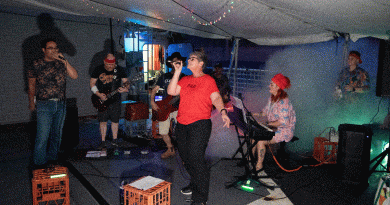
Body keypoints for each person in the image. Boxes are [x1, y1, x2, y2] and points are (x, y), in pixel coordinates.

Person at [167, 49, 230, 205]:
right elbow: (171, 91)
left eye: (192, 59)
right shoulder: (185, 79)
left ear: (201, 64)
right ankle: (195, 183)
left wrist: (223, 111)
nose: (189, 60)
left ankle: (200, 198)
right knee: (186, 158)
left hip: (200, 124)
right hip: (182, 124)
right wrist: (177, 72)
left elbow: (215, 97)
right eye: (189, 58)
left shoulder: (208, 80)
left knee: (196, 158)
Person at [28, 38, 78, 168]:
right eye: (50, 48)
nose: (54, 50)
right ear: (44, 50)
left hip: (61, 104)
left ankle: (52, 160)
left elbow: (74, 76)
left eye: (56, 48)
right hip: (44, 104)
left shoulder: (61, 63)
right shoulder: (36, 64)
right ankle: (39, 163)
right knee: (43, 136)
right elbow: (31, 85)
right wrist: (32, 103)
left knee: (57, 135)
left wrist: (65, 61)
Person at [254, 73, 296, 173]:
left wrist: (267, 124)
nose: (269, 86)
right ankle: (250, 161)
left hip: (284, 130)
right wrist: (252, 114)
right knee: (253, 137)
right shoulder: (272, 98)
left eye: (271, 84)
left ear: (278, 87)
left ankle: (259, 167)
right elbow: (264, 112)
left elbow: (283, 122)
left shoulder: (283, 101)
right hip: (273, 127)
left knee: (260, 141)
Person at [150, 52, 186, 159]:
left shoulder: (184, 77)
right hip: (165, 107)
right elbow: (154, 89)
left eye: (178, 62)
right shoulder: (164, 76)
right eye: (174, 62)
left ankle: (185, 153)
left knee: (182, 131)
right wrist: (152, 101)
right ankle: (170, 149)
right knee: (163, 132)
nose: (176, 64)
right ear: (170, 63)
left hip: (178, 108)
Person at [90, 53, 129, 150]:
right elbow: (92, 83)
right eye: (108, 64)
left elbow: (126, 83)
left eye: (112, 64)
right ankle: (103, 141)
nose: (110, 66)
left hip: (115, 99)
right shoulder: (98, 69)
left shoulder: (120, 70)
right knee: (102, 121)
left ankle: (115, 140)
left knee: (115, 120)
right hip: (102, 98)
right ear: (104, 62)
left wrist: (125, 89)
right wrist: (98, 94)